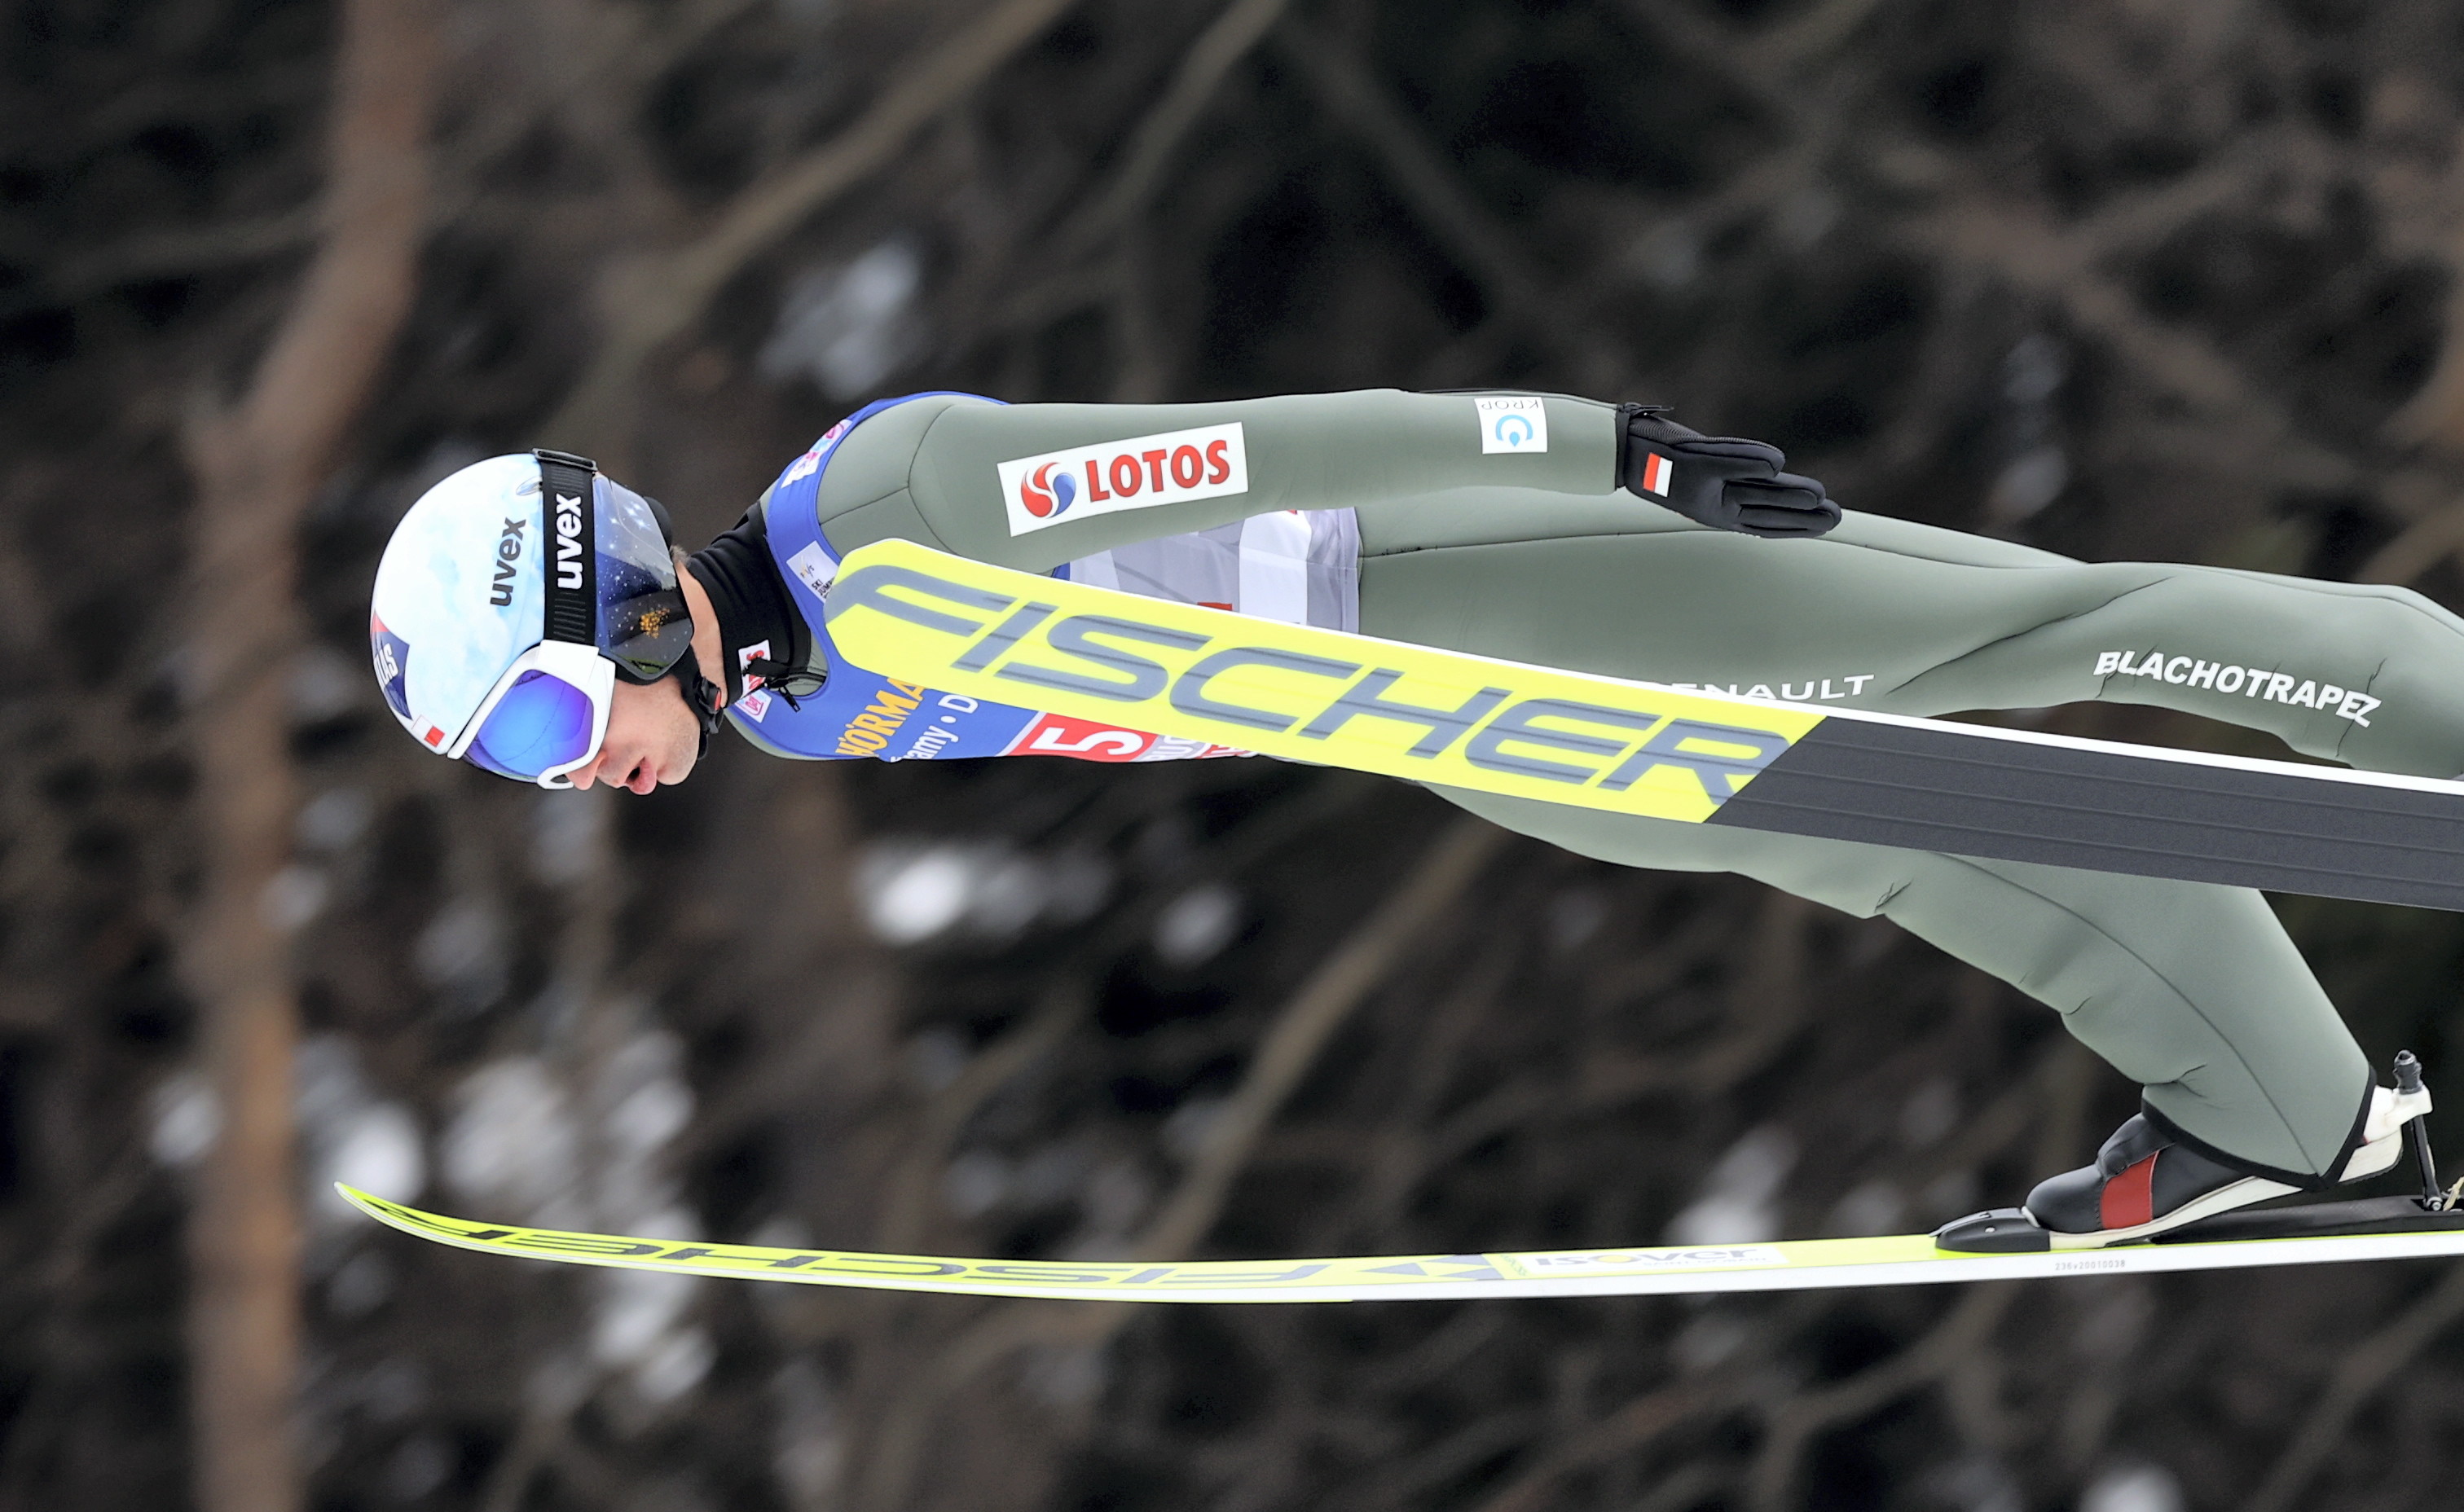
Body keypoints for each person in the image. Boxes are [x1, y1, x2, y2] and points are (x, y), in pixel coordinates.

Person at [369, 389, 2464, 1249]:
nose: (588, 775)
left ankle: (2430, 711)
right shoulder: (809, 711)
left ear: (618, 596)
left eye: (557, 715)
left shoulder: (889, 507)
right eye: (533, 770)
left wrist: (1604, 448)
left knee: (2027, 637)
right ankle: (2293, 1120)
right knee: (1928, 832)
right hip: (1463, 730)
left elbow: (1263, 449)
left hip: (1496, 593)